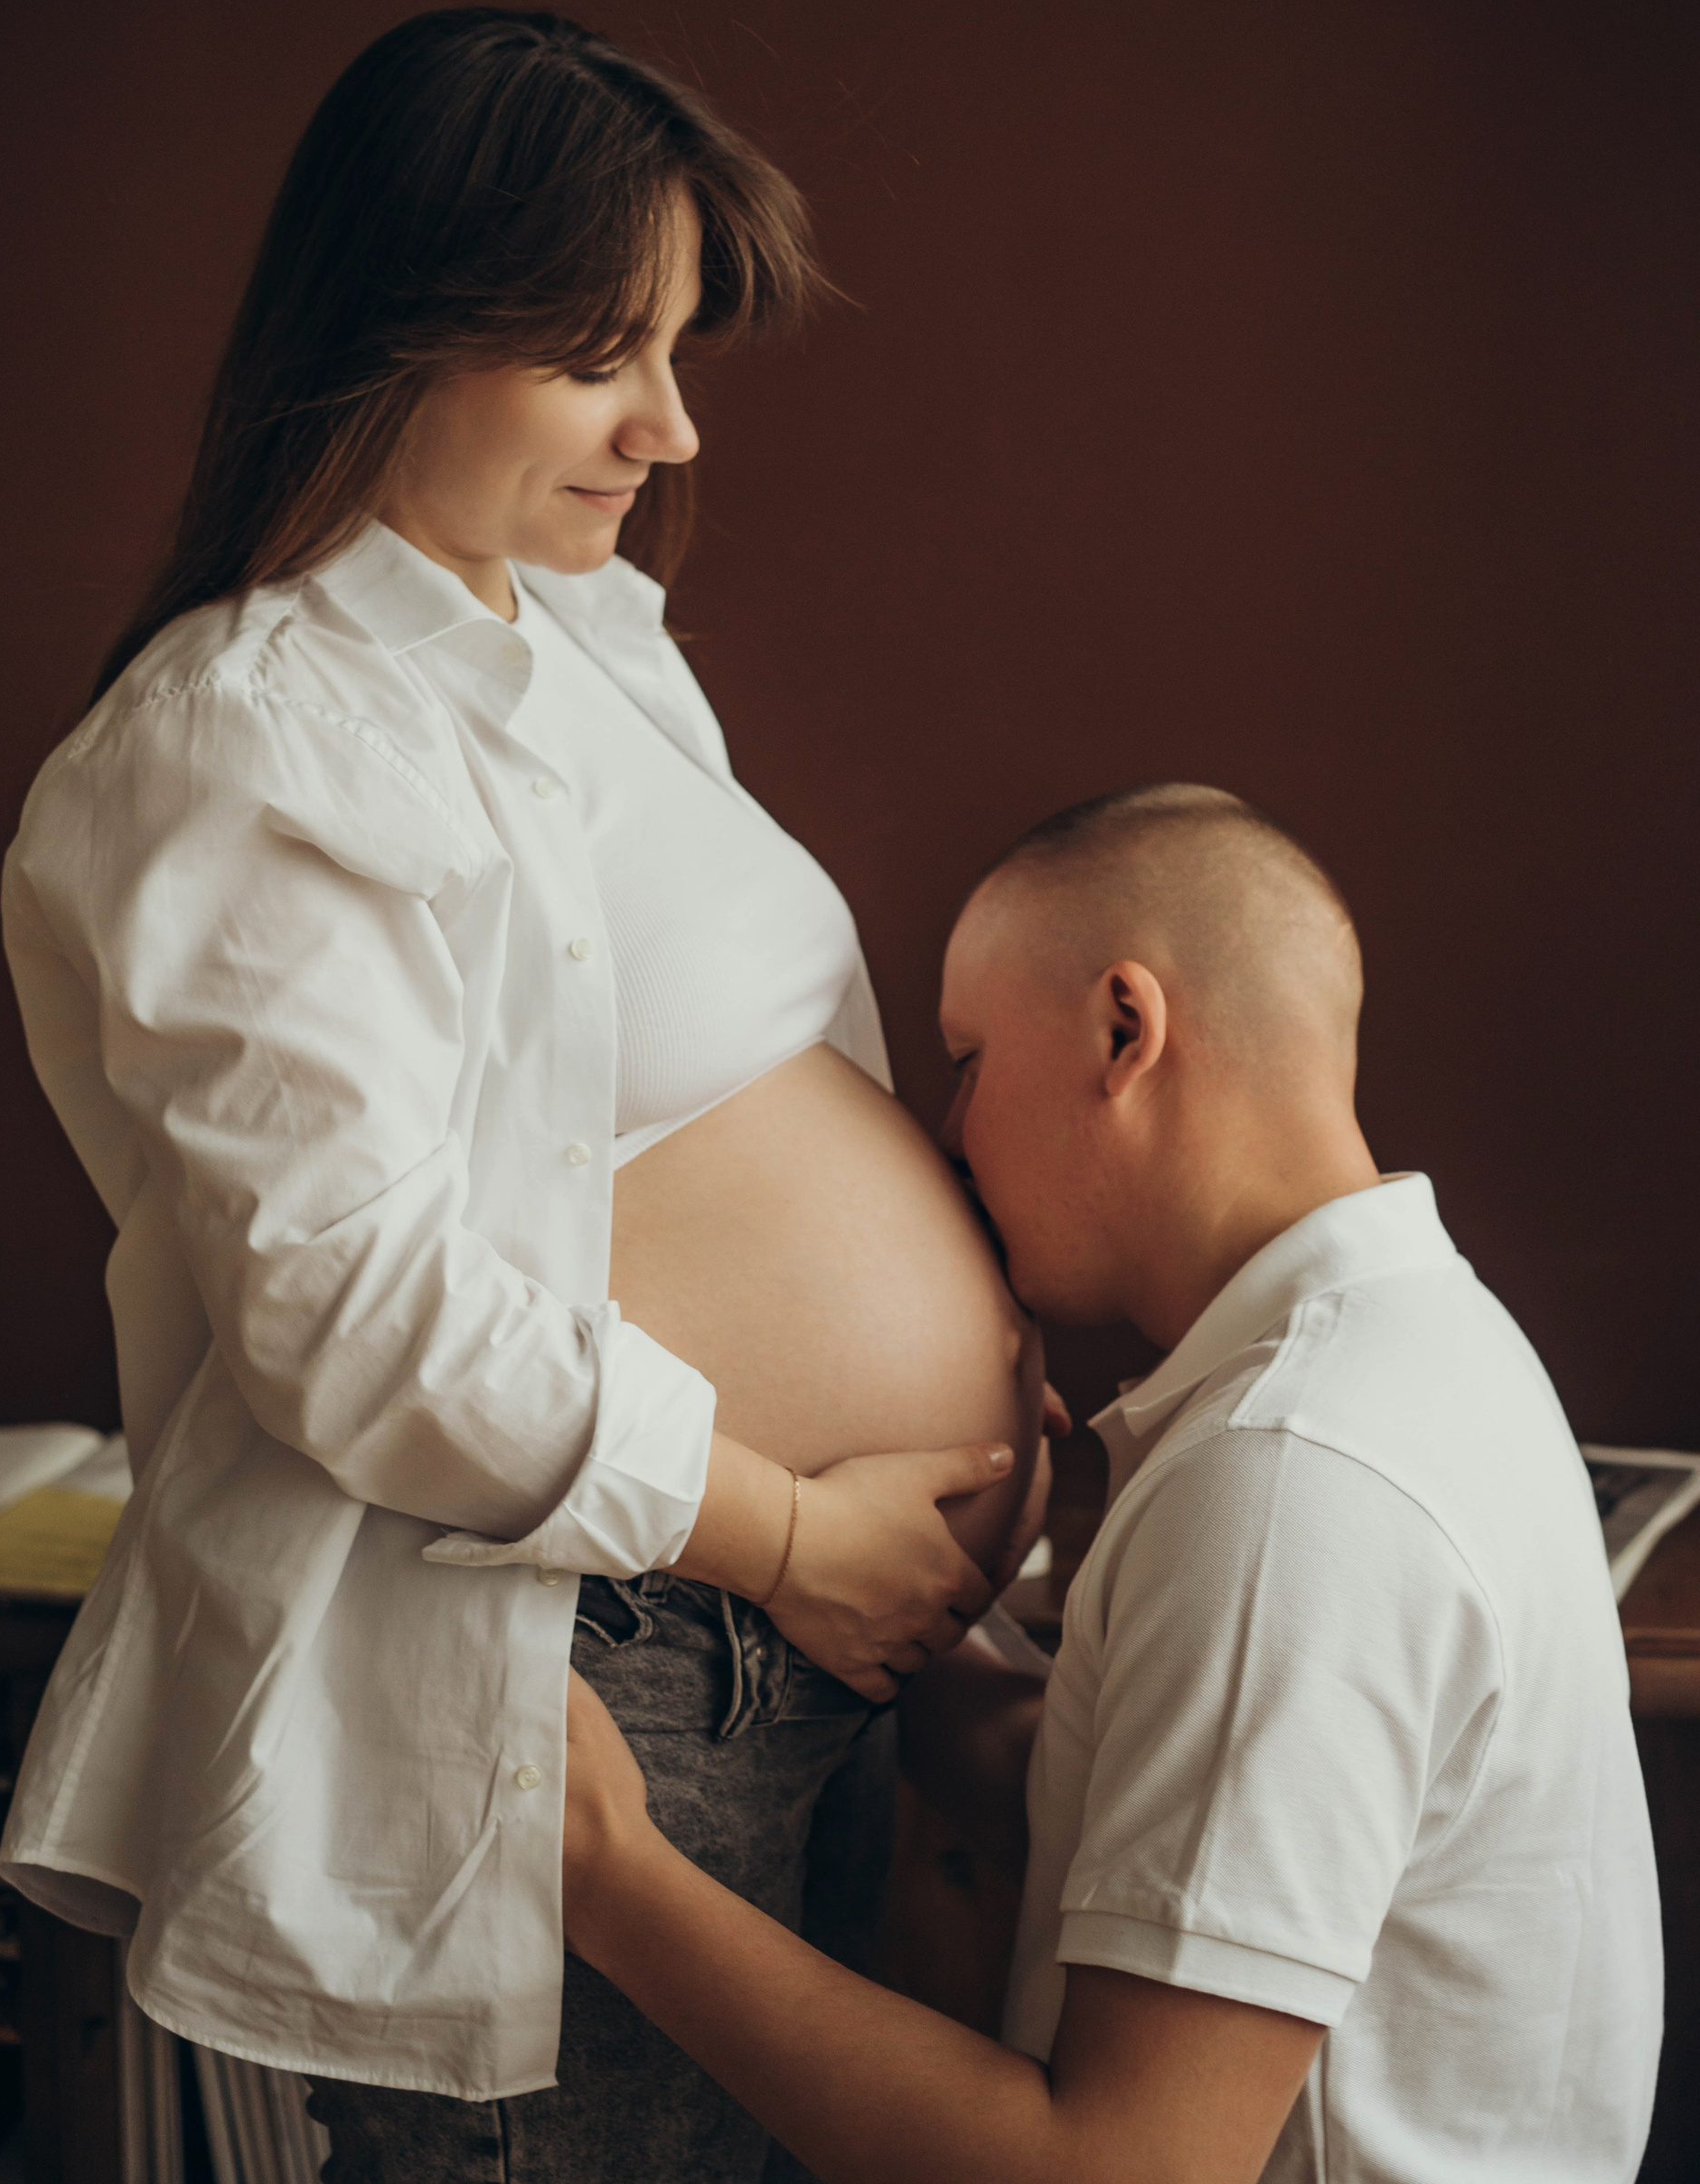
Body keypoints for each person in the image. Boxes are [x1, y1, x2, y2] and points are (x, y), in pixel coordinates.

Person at [0, 8, 1046, 2179]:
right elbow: (344, 1306)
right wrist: (792, 1533)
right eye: (599, 357)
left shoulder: (588, 643)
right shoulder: (240, 731)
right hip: (604, 1668)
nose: (671, 423)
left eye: (672, 348)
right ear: (402, 327)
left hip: (812, 1651)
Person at [560, 783, 1665, 2184]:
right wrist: (922, 1611)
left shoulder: (1297, 1477)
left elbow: (1124, 2168)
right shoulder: (1439, 1349)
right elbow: (1201, 1841)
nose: (949, 1133)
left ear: (1124, 1030)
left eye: (969, 1059)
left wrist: (608, 1870)